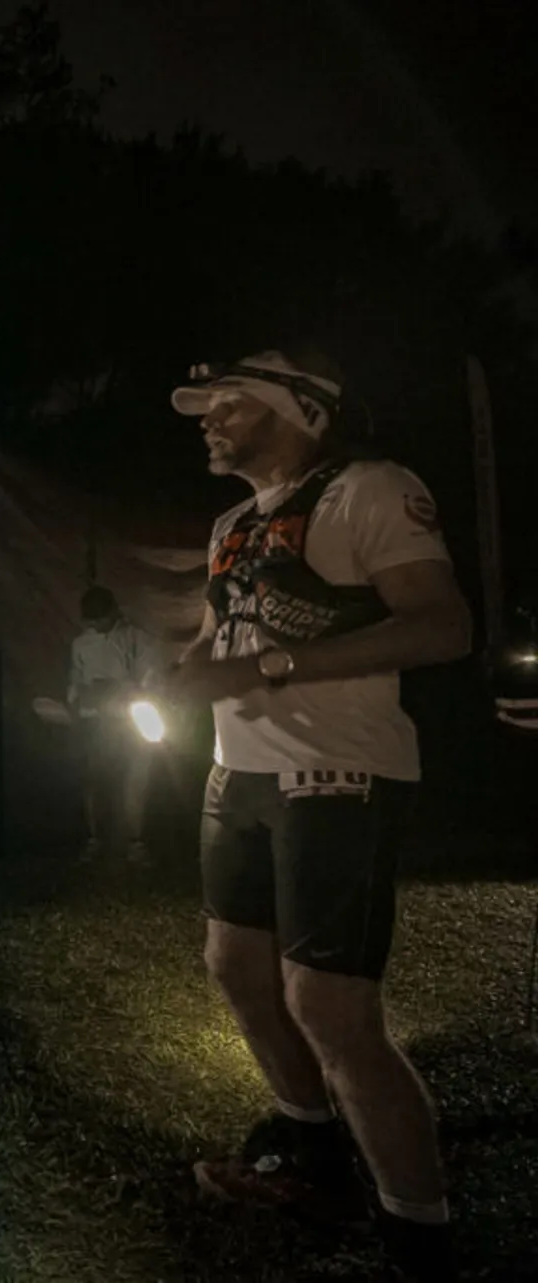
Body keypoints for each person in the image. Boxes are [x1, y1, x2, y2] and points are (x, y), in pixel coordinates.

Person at [160, 349, 471, 1281]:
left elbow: (442, 625)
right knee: (235, 968)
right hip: (237, 775)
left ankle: (420, 1236)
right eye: (203, 409)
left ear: (297, 409)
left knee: (331, 1008)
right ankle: (311, 1157)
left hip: (339, 773)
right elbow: (220, 634)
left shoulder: (369, 490)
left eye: (226, 406)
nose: (207, 421)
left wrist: (264, 670)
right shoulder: (231, 522)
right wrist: (175, 669)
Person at [66, 585, 162, 864]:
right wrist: (80, 697)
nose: (96, 625)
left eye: (100, 619)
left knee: (135, 780)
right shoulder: (81, 644)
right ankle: (96, 839)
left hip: (131, 720)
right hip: (95, 721)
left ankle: (136, 841)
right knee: (94, 780)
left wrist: (119, 690)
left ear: (114, 613)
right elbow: (74, 682)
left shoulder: (138, 639)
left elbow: (150, 680)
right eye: (91, 621)